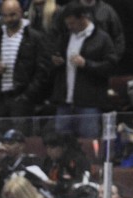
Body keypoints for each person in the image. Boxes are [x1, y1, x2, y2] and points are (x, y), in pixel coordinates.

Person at [50, 2, 118, 139]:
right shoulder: (65, 37)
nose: (69, 27)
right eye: (67, 24)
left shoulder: (102, 38)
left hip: (89, 102)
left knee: (89, 141)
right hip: (65, 100)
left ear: (83, 18)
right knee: (60, 141)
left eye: (72, 23)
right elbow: (55, 55)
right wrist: (57, 61)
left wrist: (87, 64)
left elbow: (110, 66)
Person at [0, 0, 49, 129]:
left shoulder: (35, 37)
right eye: (5, 15)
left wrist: (27, 95)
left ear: (20, 12)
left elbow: (42, 70)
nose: (9, 19)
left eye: (12, 15)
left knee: (20, 140)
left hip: (22, 97)